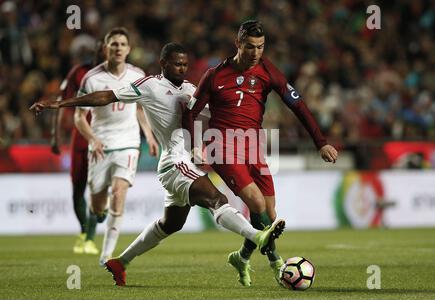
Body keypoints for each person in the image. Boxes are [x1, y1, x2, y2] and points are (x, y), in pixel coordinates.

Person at [30, 42, 286, 286]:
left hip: (185, 163)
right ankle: (257, 236)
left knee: (172, 223)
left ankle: (120, 262)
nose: (182, 69)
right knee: (217, 200)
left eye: (185, 64)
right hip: (175, 162)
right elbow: (106, 96)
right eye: (176, 64)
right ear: (163, 63)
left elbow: (217, 114)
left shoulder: (189, 89)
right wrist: (61, 104)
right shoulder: (149, 85)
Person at [182, 20, 338, 286]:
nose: (256, 52)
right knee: (255, 204)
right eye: (251, 46)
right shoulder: (215, 75)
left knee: (270, 214)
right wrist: (194, 144)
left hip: (253, 145)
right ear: (238, 44)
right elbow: (190, 113)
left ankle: (242, 257)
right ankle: (278, 263)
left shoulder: (268, 72)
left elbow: (298, 106)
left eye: (261, 47)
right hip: (221, 145)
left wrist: (320, 141)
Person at [74, 27, 158, 264]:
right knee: (98, 204)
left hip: (128, 143)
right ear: (105, 48)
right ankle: (98, 214)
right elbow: (79, 116)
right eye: (114, 44)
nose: (118, 48)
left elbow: (140, 109)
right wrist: (92, 138)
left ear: (129, 49)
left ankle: (106, 254)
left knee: (119, 192)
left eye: (122, 44)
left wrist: (149, 136)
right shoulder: (92, 78)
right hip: (100, 145)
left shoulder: (137, 75)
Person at [50, 41, 104, 255]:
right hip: (81, 138)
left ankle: (90, 238)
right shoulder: (79, 72)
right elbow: (61, 102)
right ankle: (84, 231)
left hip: (104, 138)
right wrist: (55, 135)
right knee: (77, 190)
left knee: (97, 191)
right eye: (100, 48)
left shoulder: (119, 74)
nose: (103, 52)